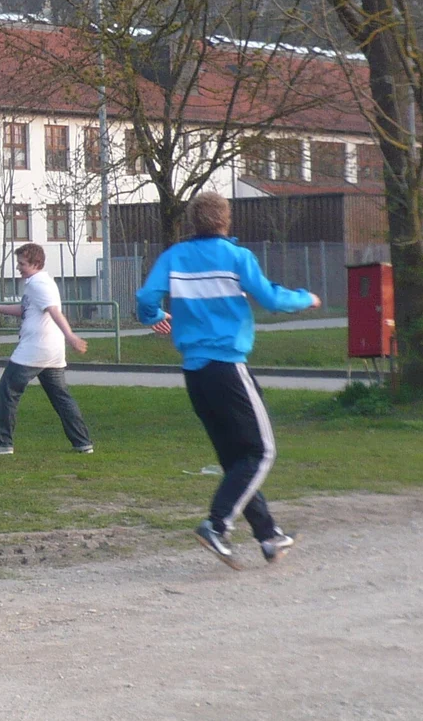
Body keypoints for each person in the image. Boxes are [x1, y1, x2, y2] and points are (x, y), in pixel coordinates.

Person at [136, 189, 320, 568]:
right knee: (261, 451)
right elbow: (270, 299)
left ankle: (268, 535)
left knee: (236, 457)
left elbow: (145, 299)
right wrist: (307, 298)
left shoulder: (174, 257)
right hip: (228, 365)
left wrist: (155, 318)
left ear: (192, 222)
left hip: (195, 373)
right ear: (226, 220)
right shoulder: (237, 257)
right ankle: (217, 525)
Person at [0, 242, 92, 456]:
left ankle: (1, 444)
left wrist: (71, 337)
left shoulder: (39, 284)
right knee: (61, 396)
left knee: (7, 391)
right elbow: (26, 309)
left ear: (36, 263)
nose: (18, 267)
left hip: (34, 350)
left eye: (22, 264)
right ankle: (82, 442)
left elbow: (54, 312)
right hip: (52, 352)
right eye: (18, 263)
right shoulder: (38, 283)